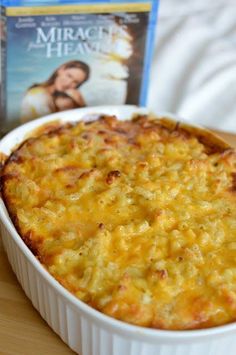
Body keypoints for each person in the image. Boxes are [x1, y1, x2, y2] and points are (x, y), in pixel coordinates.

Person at [20, 60, 90, 122]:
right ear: (61, 69)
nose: (68, 83)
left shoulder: (61, 98)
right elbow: (49, 125)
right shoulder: (37, 95)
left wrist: (81, 103)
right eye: (69, 76)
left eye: (75, 82)